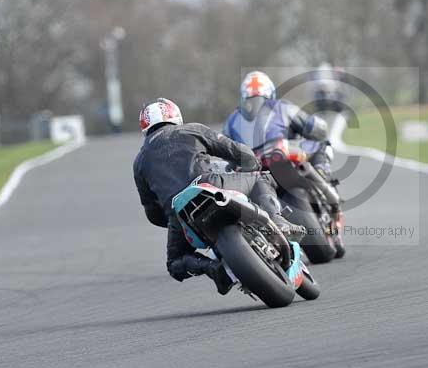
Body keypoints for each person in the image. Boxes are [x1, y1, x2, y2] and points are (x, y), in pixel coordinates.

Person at [133, 98, 304, 295]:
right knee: (259, 178)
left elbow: (151, 211)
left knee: (174, 263)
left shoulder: (139, 161)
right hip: (210, 184)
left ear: (145, 126)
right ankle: (277, 219)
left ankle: (212, 268)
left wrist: (173, 220)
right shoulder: (191, 130)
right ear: (174, 115)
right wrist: (251, 164)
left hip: (178, 211)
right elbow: (235, 151)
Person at [224, 70, 336, 182]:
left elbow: (221, 150)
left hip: (248, 171)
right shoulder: (283, 108)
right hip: (273, 161)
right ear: (271, 94)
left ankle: (320, 175)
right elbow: (316, 127)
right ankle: (322, 172)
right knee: (322, 144)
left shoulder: (231, 120)